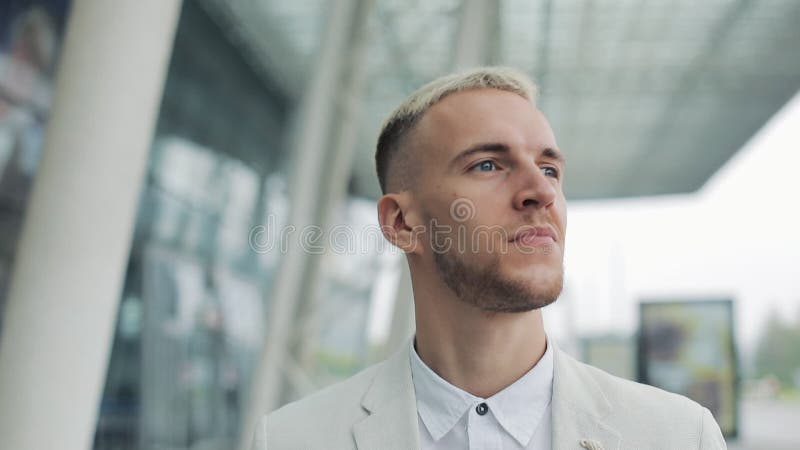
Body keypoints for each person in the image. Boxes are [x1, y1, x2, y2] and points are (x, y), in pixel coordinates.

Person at [250, 67, 727, 450]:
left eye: (549, 168)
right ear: (400, 223)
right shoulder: (291, 440)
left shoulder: (682, 437)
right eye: (487, 165)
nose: (540, 192)